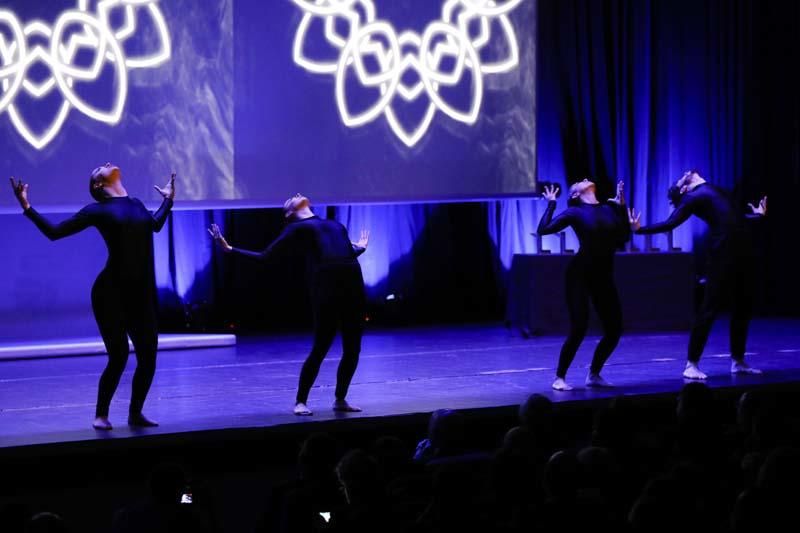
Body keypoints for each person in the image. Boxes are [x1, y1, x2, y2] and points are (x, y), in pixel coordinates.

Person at [9, 165, 175, 430]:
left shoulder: (136, 204)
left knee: (148, 357)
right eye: (100, 168)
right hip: (110, 293)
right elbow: (55, 232)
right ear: (98, 184)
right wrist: (26, 207)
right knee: (119, 356)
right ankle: (101, 414)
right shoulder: (96, 210)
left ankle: (135, 413)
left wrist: (168, 200)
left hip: (140, 294)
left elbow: (155, 224)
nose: (107, 163)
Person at [209, 194, 368, 416]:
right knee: (321, 347)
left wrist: (359, 248)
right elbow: (266, 256)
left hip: (353, 284)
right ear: (289, 213)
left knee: (353, 349)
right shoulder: (296, 228)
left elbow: (345, 254)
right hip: (327, 287)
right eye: (290, 200)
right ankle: (300, 401)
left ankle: (340, 399)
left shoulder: (335, 225)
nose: (295, 195)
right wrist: (230, 249)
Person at [628, 170, 767, 379]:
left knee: (743, 307)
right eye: (680, 179)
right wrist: (639, 230)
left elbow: (735, 219)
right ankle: (691, 364)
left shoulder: (716, 189)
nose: (684, 173)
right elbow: (670, 223)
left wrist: (757, 216)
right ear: (684, 188)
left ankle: (737, 361)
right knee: (709, 309)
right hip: (722, 254)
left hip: (742, 252)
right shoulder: (693, 196)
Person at [537, 179, 631, 390]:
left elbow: (624, 236)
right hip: (580, 274)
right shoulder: (574, 212)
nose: (584, 179)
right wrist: (551, 203)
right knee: (579, 327)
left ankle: (594, 374)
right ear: (574, 195)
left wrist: (622, 205)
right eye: (578, 182)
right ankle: (559, 377)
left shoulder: (609, 208)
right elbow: (543, 229)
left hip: (604, 275)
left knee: (615, 329)